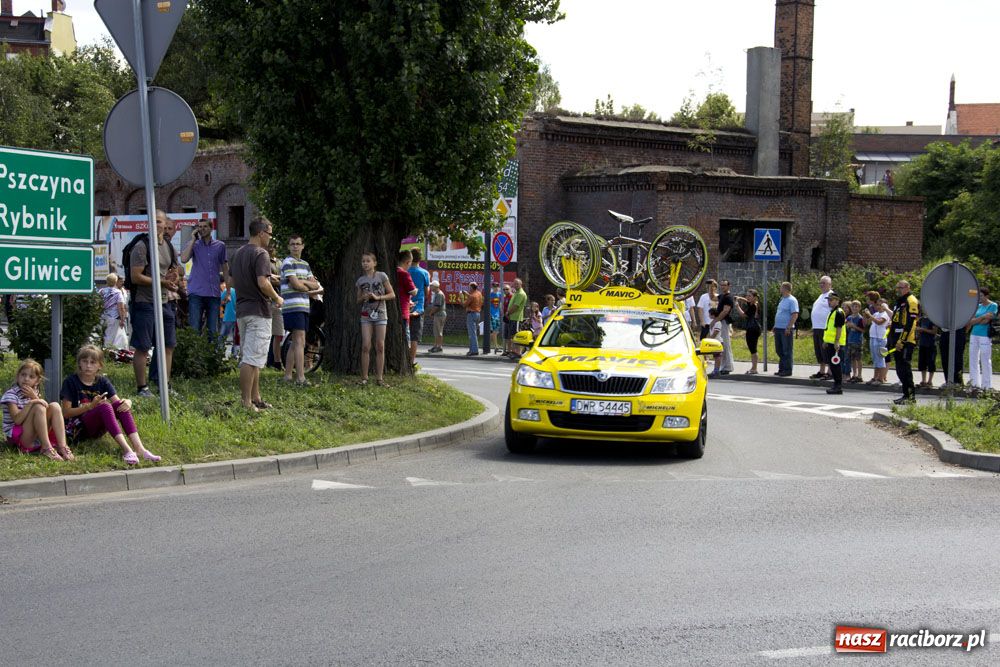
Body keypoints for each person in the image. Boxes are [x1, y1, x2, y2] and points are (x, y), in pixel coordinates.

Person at [60, 344, 160, 465]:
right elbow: (65, 413)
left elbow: (117, 403)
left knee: (120, 405)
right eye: (85, 361)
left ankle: (140, 449)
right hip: (78, 429)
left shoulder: (102, 381)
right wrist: (89, 406)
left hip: (97, 428)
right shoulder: (71, 381)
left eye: (92, 362)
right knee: (105, 406)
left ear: (99, 366)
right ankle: (127, 450)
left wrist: (128, 402)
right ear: (79, 363)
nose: (88, 366)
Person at [228, 217, 284, 411]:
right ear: (261, 233)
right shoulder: (261, 253)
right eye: (269, 233)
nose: (270, 237)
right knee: (250, 359)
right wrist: (277, 298)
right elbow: (262, 283)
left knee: (255, 357)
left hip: (242, 311)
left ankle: (256, 397)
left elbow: (233, 281)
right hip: (258, 311)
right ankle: (246, 402)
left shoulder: (237, 253)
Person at [129, 210, 180, 398]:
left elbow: (175, 268)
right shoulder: (142, 246)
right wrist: (161, 282)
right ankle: (142, 388)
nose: (158, 225)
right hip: (145, 302)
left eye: (160, 222)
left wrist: (174, 276)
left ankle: (164, 386)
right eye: (154, 221)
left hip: (165, 300)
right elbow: (135, 276)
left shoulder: (168, 244)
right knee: (142, 347)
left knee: (168, 345)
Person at [2, 359, 71, 461]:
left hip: (33, 435)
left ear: (37, 380)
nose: (26, 379)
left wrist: (34, 397)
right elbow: (17, 420)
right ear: (18, 376)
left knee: (55, 406)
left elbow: (45, 410)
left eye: (31, 377)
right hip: (18, 437)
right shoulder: (11, 395)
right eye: (23, 375)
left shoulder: (34, 393)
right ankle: (46, 448)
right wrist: (31, 402)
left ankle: (62, 447)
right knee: (38, 406)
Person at [280, 234, 323, 385]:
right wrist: (305, 284)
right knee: (300, 341)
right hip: (292, 306)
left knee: (296, 341)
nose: (295, 246)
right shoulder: (287, 262)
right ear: (288, 246)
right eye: (292, 244)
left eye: (298, 244)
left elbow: (316, 285)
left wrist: (302, 282)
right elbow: (295, 285)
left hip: (304, 306)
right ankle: (300, 377)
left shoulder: (305, 264)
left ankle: (287, 376)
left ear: (303, 246)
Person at [180, 218, 228, 337]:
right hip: (196, 292)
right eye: (200, 227)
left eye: (205, 226)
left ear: (211, 228)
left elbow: (225, 268)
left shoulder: (220, 246)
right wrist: (192, 240)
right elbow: (184, 259)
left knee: (213, 330)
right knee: (194, 329)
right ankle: (194, 355)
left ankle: (211, 355)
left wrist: (227, 291)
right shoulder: (194, 245)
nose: (202, 229)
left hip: (213, 293)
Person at [356, 251, 395, 385]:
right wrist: (364, 297)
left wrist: (378, 297)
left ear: (374, 263)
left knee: (380, 345)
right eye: (363, 261)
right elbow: (358, 300)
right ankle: (364, 378)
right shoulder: (360, 281)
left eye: (368, 261)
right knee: (366, 345)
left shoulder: (382, 276)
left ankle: (379, 378)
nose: (365, 263)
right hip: (366, 315)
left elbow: (392, 294)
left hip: (381, 314)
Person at [888, 280, 920, 404]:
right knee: (899, 368)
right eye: (897, 288)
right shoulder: (900, 301)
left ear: (907, 287)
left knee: (905, 368)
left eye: (900, 288)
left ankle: (910, 397)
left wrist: (902, 340)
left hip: (906, 341)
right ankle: (905, 395)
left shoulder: (911, 300)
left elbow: (910, 323)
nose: (898, 290)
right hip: (897, 340)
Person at [967, 287, 997, 390]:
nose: (979, 298)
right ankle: (975, 384)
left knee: (985, 359)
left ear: (987, 296)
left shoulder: (993, 305)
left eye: (981, 296)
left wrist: (977, 320)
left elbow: (987, 320)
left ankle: (986, 386)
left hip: (985, 335)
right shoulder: (977, 306)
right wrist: (982, 317)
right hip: (974, 334)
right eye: (978, 296)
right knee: (973, 358)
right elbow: (970, 321)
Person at [407, 249, 431, 364]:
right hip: (418, 308)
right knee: (414, 337)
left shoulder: (405, 271)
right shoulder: (424, 273)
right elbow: (427, 292)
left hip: (405, 306)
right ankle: (411, 362)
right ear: (420, 259)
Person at [863, 292, 890, 386]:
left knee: (881, 358)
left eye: (881, 305)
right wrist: (865, 315)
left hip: (881, 339)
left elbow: (879, 322)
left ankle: (881, 378)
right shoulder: (876, 313)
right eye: (878, 305)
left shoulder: (885, 314)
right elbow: (866, 323)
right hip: (873, 337)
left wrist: (870, 315)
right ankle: (875, 377)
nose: (878, 307)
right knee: (875, 359)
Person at [395, 250, 418, 363]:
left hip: (394, 309)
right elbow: (413, 291)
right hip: (403, 312)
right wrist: (417, 290)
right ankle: (405, 362)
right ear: (408, 262)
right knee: (405, 339)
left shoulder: (392, 272)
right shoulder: (404, 273)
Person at [772, 282, 799, 377]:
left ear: (786, 289)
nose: (780, 289)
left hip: (786, 329)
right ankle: (782, 368)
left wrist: (789, 327)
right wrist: (775, 325)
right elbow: (780, 313)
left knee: (786, 349)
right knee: (779, 349)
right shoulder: (782, 299)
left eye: (781, 288)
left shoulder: (792, 300)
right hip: (778, 328)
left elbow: (794, 314)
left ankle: (787, 369)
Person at [822, 292, 846, 395]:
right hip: (830, 342)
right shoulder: (832, 312)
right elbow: (829, 328)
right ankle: (836, 385)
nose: (829, 301)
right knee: (833, 365)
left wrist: (836, 342)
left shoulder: (839, 312)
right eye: (828, 300)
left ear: (837, 301)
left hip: (836, 344)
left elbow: (839, 328)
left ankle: (838, 386)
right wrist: (826, 341)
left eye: (831, 300)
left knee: (836, 365)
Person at [709, 279, 735, 375]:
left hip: (724, 322)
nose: (723, 286)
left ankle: (727, 367)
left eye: (724, 285)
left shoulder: (728, 297)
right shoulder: (722, 296)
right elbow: (712, 297)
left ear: (728, 286)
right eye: (721, 285)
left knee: (725, 344)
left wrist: (715, 320)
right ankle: (724, 366)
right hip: (721, 321)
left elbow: (725, 311)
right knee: (722, 344)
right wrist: (711, 287)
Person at [809, 275, 833, 380]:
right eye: (821, 283)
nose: (821, 285)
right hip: (817, 327)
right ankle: (822, 371)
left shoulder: (831, 295)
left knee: (826, 350)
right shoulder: (821, 295)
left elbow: (833, 310)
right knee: (819, 350)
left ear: (830, 285)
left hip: (825, 328)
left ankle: (830, 372)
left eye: (824, 283)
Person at [267, 242, 285, 371]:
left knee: (279, 333)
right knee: (266, 333)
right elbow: (267, 280)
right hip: (268, 300)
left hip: (280, 300)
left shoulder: (280, 262)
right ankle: (266, 361)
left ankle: (277, 362)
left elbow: (285, 278)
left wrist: (277, 278)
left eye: (274, 244)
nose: (272, 246)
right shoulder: (263, 260)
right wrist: (282, 279)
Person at [734, 289, 761, 374]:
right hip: (754, 328)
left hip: (752, 329)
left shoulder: (753, 306)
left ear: (754, 297)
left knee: (753, 349)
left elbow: (743, 315)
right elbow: (747, 301)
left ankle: (754, 368)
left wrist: (737, 305)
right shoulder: (754, 303)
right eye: (747, 295)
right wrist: (740, 298)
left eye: (749, 296)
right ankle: (753, 367)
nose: (747, 297)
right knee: (752, 348)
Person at [98, 273, 127, 349]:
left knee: (100, 337)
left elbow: (97, 304)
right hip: (113, 318)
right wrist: (122, 319)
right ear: (116, 281)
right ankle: (106, 355)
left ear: (106, 281)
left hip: (102, 317)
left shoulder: (101, 291)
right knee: (109, 338)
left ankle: (100, 352)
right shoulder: (118, 292)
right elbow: (121, 307)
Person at [916, 309, 939, 389]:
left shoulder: (933, 319)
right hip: (922, 343)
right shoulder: (921, 319)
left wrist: (923, 330)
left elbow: (934, 331)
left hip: (931, 344)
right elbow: (918, 328)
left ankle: (930, 381)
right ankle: (923, 381)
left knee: (931, 362)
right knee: (922, 363)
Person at [505, 278, 528, 358]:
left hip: (516, 318)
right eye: (514, 283)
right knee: (512, 335)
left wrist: (508, 313)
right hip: (512, 317)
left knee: (516, 335)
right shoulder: (516, 293)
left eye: (517, 284)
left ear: (521, 284)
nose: (515, 285)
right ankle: (514, 352)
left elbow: (516, 306)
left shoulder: (521, 294)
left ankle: (517, 352)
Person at [845, 300, 865, 383]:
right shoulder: (849, 318)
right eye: (853, 306)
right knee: (852, 359)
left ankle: (859, 375)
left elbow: (862, 330)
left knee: (858, 358)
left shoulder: (860, 318)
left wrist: (854, 326)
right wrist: (847, 325)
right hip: (850, 340)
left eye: (856, 306)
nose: (854, 308)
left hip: (857, 340)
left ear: (859, 308)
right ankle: (854, 374)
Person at [461, 282, 483, 356]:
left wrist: (461, 298)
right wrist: (467, 294)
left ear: (471, 287)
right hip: (477, 314)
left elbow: (464, 304)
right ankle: (472, 349)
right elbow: (473, 297)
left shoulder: (471, 296)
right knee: (474, 333)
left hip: (471, 314)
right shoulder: (479, 293)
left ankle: (474, 350)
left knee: (472, 334)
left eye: (469, 287)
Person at [426, 280, 446, 353]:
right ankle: (436, 346)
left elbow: (437, 306)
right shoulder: (437, 294)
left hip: (439, 315)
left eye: (431, 286)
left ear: (435, 286)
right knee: (436, 331)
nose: (430, 287)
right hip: (438, 315)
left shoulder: (439, 294)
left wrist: (431, 313)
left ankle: (439, 346)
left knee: (438, 331)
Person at [219, 280, 238, 358]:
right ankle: (235, 354)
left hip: (228, 316)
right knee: (236, 337)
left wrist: (224, 302)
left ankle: (220, 352)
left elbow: (220, 302)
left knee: (222, 336)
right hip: (238, 317)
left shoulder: (226, 291)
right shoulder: (239, 292)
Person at [705, 308, 724, 377]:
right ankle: (715, 370)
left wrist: (710, 339)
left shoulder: (718, 323)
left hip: (718, 342)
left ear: (713, 315)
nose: (708, 315)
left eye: (709, 314)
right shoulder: (713, 322)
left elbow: (715, 333)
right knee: (715, 356)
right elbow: (710, 333)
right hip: (714, 342)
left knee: (718, 356)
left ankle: (716, 370)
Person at [489, 283, 503, 354]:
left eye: (497, 286)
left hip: (497, 314)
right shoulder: (490, 294)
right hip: (492, 314)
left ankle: (488, 343)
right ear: (492, 287)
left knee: (496, 331)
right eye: (494, 286)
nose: (496, 288)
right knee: (495, 331)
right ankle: (496, 347)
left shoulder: (500, 294)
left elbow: (500, 304)